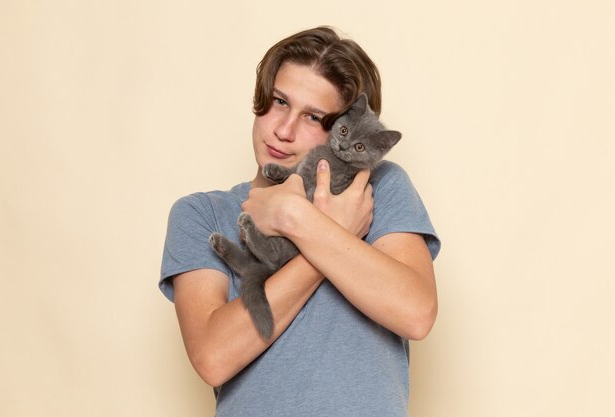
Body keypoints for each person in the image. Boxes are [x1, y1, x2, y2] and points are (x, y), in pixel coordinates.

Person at [159, 26, 440, 417]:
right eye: (278, 102)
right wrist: (328, 231)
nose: (283, 130)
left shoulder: (374, 188)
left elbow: (416, 313)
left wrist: (302, 222)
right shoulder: (202, 213)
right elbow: (213, 357)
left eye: (312, 117)